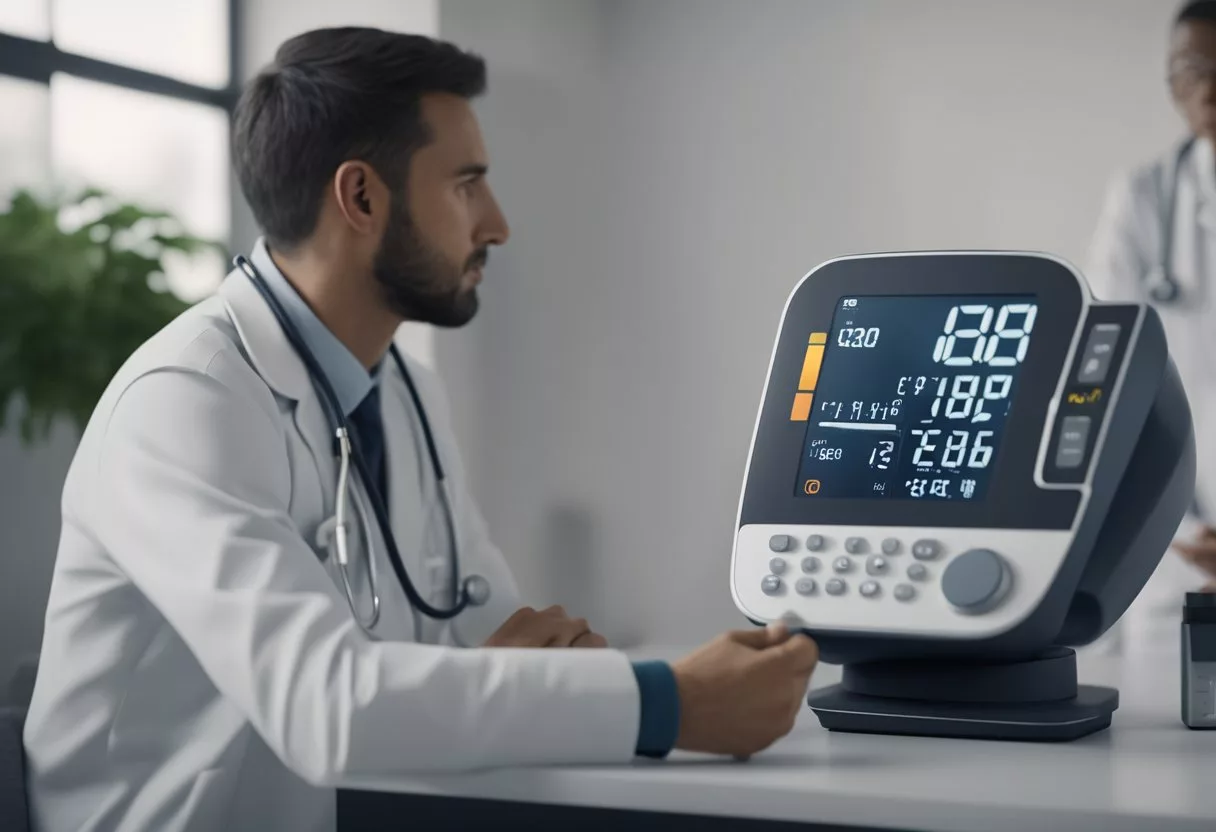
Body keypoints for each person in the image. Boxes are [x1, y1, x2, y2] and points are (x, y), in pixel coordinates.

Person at [21, 28, 819, 832]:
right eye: (467, 185)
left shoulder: (405, 391)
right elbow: (327, 707)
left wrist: (490, 682)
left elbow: (514, 645)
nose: (498, 224)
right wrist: (667, 702)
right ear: (362, 198)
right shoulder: (185, 402)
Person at [1085, 0, 1216, 655]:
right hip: (1178, 547)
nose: (1208, 86)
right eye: (1190, 69)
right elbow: (1113, 383)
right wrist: (1184, 526)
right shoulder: (1140, 200)